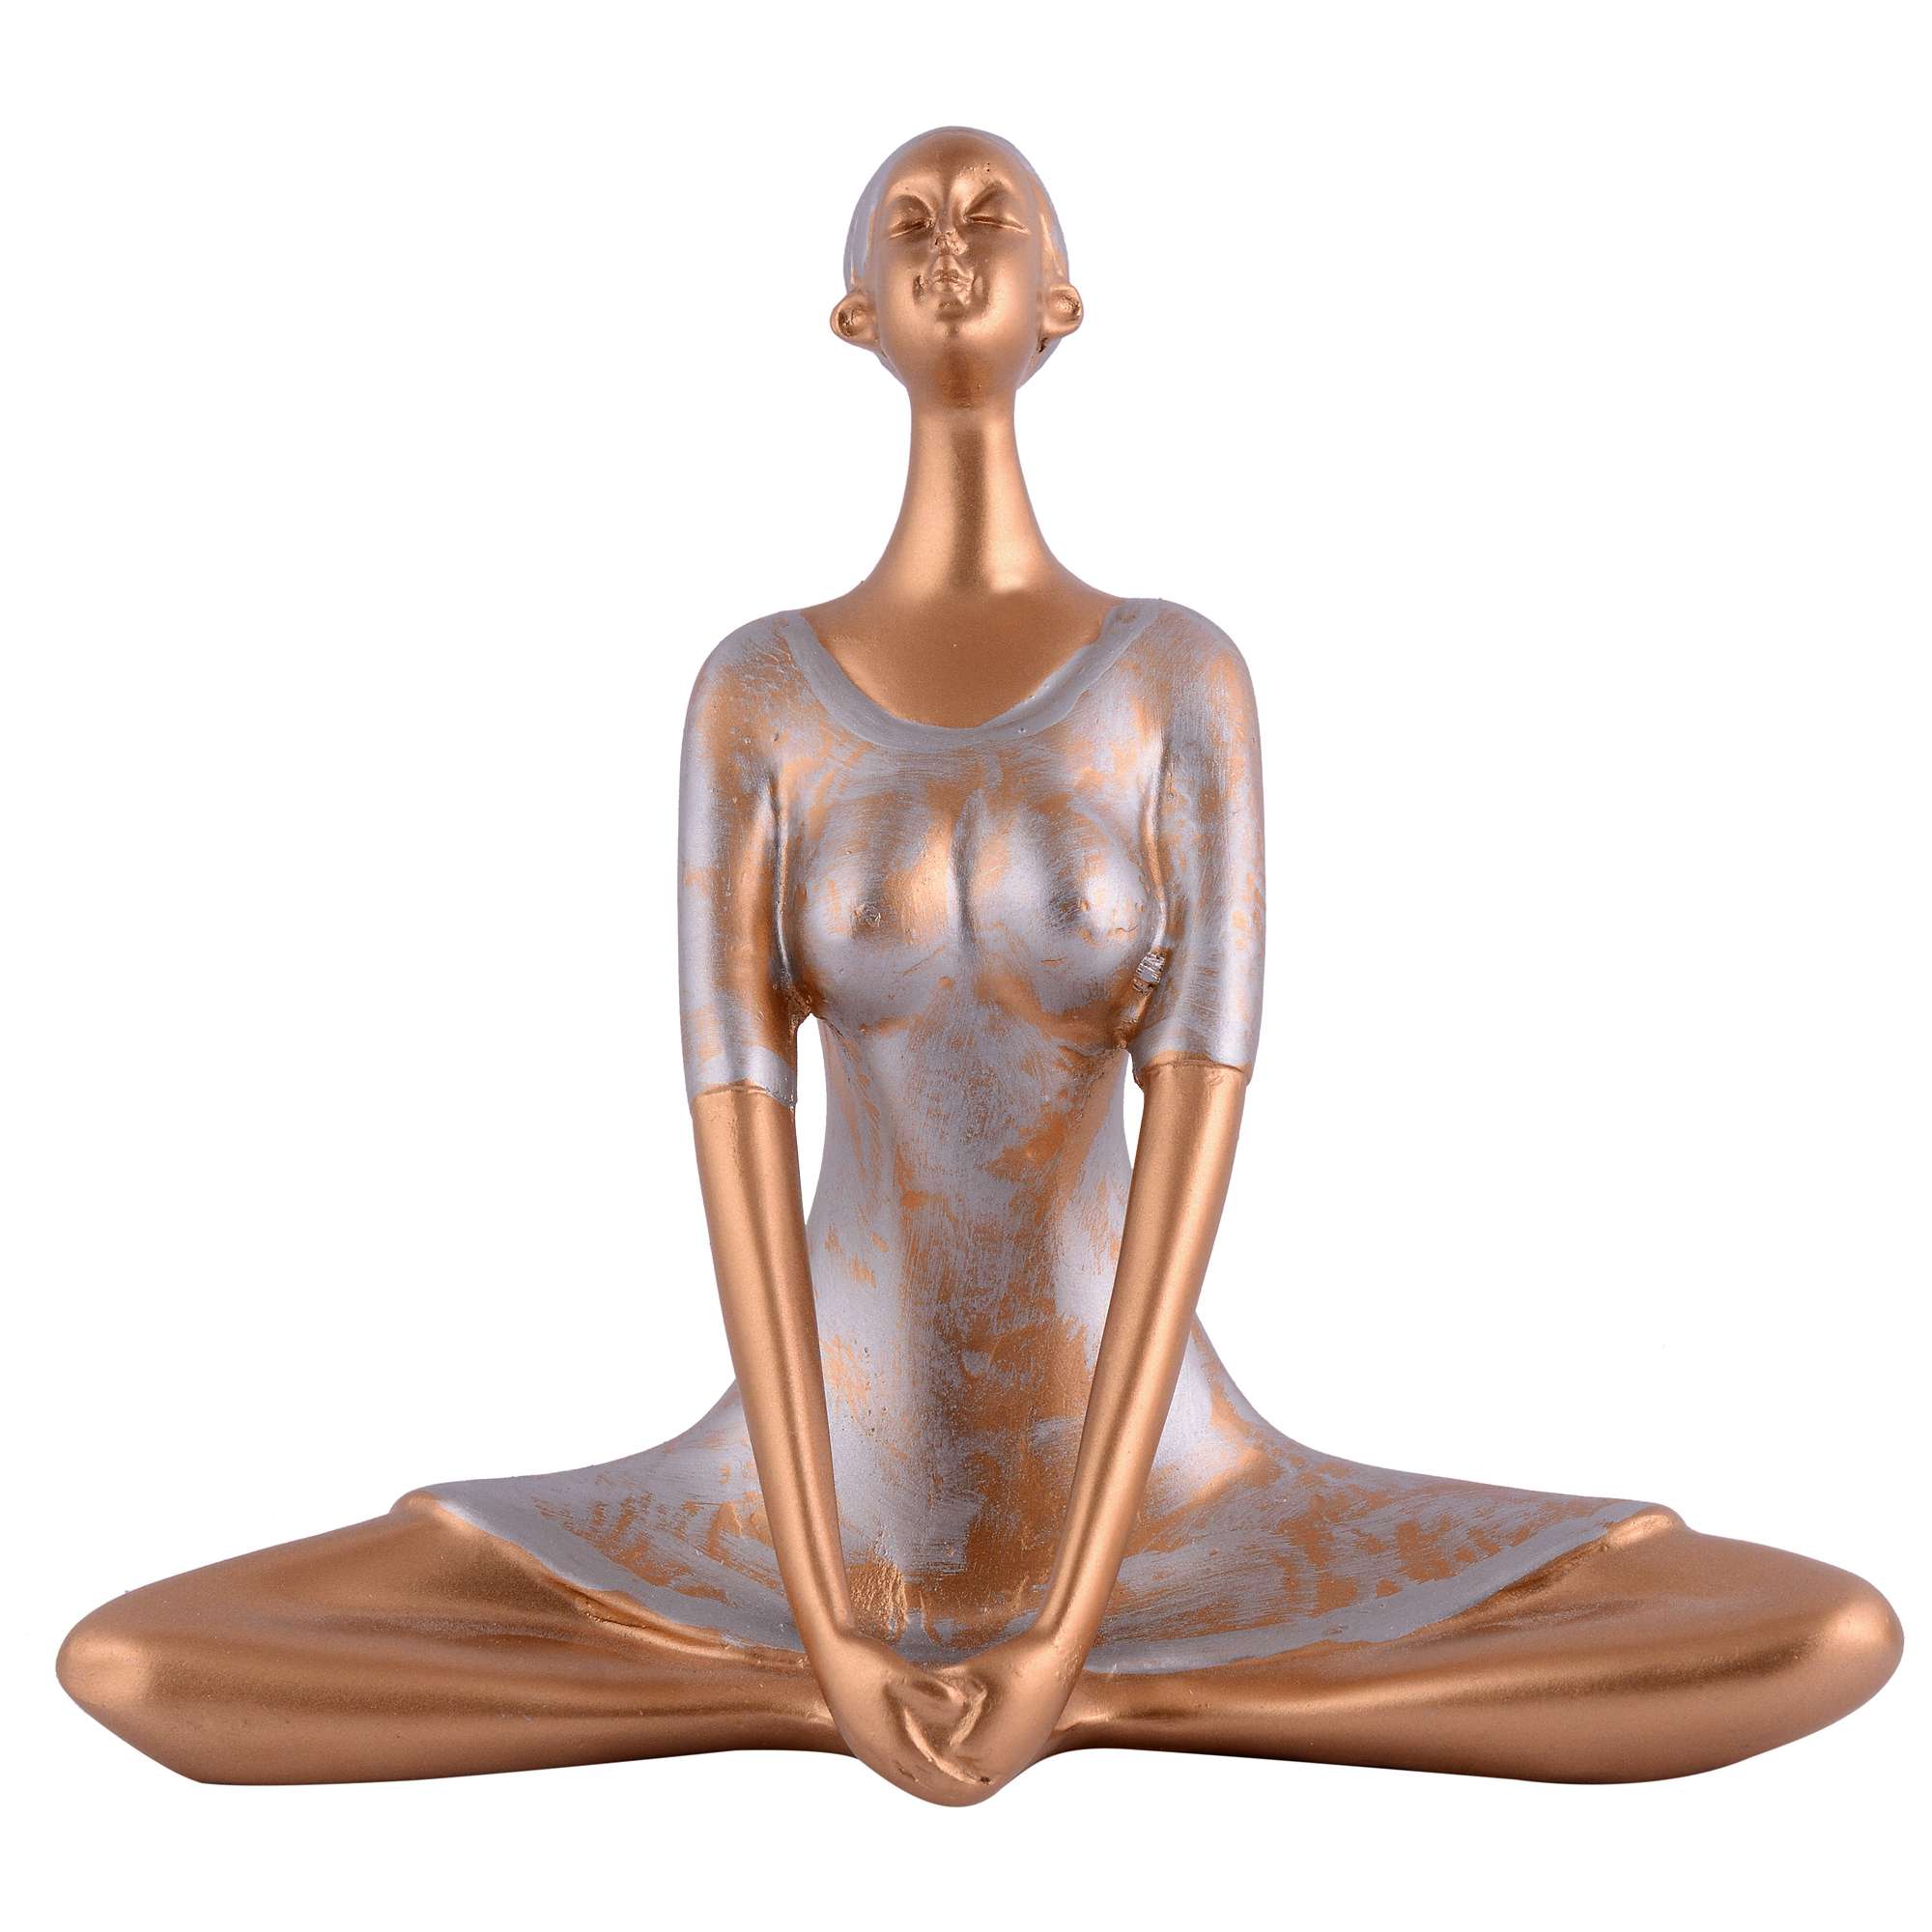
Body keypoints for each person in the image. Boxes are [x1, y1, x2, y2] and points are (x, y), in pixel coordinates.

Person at [59, 126, 1899, 1804]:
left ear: (1062, 301)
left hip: (1170, 1498)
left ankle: (1134, 1701)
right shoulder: (758, 695)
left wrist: (1070, 1638)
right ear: (853, 311)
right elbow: (737, 1141)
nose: (952, 243)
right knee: (150, 1661)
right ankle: (812, 1693)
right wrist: (824, 1621)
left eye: (992, 215)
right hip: (785, 1509)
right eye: (913, 223)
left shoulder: (1177, 678)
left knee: (1810, 1628)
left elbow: (1192, 1144)